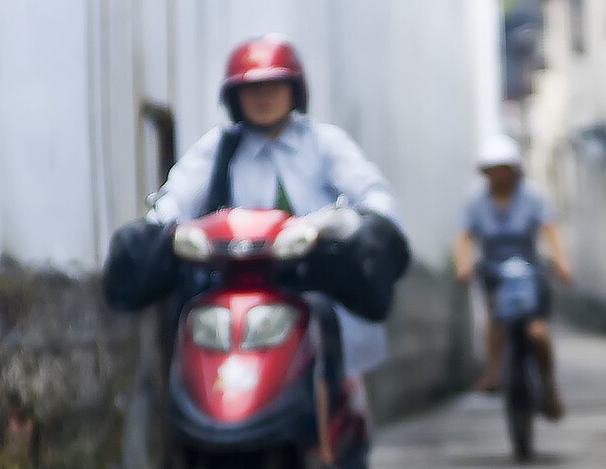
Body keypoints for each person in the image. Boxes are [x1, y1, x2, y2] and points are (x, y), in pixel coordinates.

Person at [137, 32, 410, 376]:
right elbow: (176, 196)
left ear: (295, 90)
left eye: (274, 85)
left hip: (314, 282)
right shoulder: (219, 148)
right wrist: (158, 224)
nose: (263, 96)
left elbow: (374, 195)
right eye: (251, 88)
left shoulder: (324, 143)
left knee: (329, 363)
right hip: (236, 288)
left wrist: (353, 223)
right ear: (235, 97)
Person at [453, 134, 573, 419]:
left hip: (530, 270)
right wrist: (463, 264)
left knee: (538, 333)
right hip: (494, 271)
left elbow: (550, 230)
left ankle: (549, 388)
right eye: (494, 169)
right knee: (496, 324)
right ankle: (493, 372)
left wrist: (561, 262)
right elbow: (464, 237)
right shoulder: (474, 201)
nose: (500, 174)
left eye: (504, 168)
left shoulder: (533, 196)